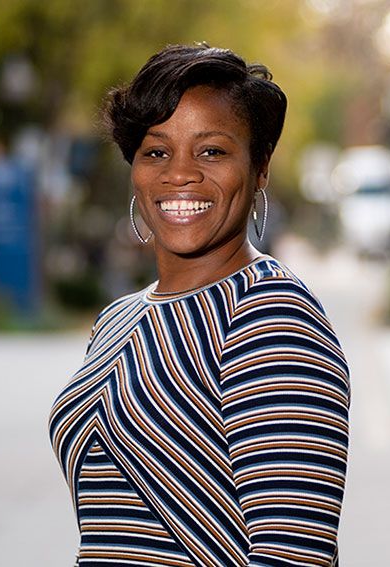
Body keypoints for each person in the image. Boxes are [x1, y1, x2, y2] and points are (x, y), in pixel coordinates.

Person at [49, 44, 350, 567]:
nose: (180, 174)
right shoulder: (117, 319)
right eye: (156, 152)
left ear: (259, 169)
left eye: (211, 151)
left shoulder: (270, 315)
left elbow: (294, 555)